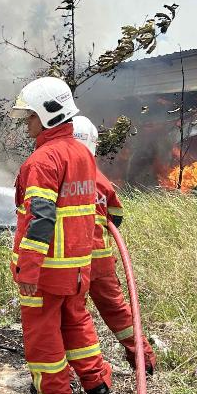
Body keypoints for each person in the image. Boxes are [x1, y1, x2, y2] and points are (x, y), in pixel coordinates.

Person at [9, 76, 114, 394]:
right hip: (77, 269)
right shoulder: (82, 155)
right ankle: (100, 391)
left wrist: (29, 268)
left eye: (30, 116)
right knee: (78, 327)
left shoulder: (43, 161)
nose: (27, 123)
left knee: (43, 337)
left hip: (47, 273)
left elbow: (40, 219)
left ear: (48, 113)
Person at [71, 116, 158, 374]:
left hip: (70, 262)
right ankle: (144, 360)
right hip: (101, 260)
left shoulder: (60, 172)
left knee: (73, 317)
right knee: (118, 312)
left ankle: (86, 374)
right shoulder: (99, 179)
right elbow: (116, 216)